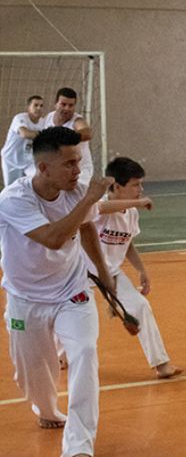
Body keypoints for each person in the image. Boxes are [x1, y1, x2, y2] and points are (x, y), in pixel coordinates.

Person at [0, 127, 117, 457]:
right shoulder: (13, 199)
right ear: (43, 168)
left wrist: (104, 274)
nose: (78, 171)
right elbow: (53, 237)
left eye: (78, 162)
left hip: (72, 292)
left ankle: (79, 446)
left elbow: (87, 228)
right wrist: (90, 198)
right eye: (69, 164)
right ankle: (47, 410)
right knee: (32, 375)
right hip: (25, 299)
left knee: (84, 353)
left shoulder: (77, 193)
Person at [91, 157, 182, 379]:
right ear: (116, 186)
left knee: (141, 306)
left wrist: (141, 269)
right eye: (135, 185)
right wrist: (137, 202)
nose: (140, 190)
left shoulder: (131, 212)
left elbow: (127, 242)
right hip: (81, 271)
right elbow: (100, 208)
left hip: (111, 272)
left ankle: (161, 365)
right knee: (78, 319)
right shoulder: (99, 206)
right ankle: (61, 356)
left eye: (141, 184)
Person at [43, 87, 95, 182]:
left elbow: (87, 133)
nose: (67, 108)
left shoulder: (77, 120)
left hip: (80, 171)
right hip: (60, 170)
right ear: (56, 104)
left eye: (71, 105)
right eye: (63, 104)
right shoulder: (48, 118)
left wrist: (65, 138)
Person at [2, 94, 45, 186]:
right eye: (35, 105)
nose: (39, 108)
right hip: (11, 159)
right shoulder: (20, 118)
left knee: (38, 181)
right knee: (11, 189)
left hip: (28, 160)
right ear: (28, 107)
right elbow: (25, 134)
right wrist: (44, 135)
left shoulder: (43, 122)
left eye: (41, 106)